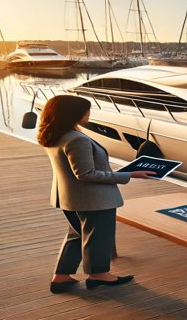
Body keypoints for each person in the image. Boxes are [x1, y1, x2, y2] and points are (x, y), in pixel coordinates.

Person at [36, 95, 156, 294]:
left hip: (68, 196)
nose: (89, 113)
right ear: (73, 113)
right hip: (92, 199)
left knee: (76, 236)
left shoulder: (55, 134)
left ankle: (61, 277)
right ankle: (99, 275)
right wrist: (130, 174)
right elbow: (85, 174)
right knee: (98, 236)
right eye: (86, 110)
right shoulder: (77, 139)